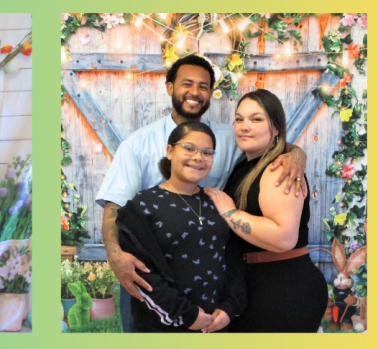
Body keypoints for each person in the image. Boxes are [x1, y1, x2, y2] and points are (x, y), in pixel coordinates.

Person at [94, 54, 307, 331]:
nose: (195, 92)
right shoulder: (137, 144)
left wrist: (296, 155)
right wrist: (115, 257)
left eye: (203, 86)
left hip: (210, 276)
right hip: (151, 276)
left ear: (210, 93)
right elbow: (114, 209)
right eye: (187, 84)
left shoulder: (227, 136)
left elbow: (266, 138)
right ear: (170, 87)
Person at [203, 89, 327, 332]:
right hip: (257, 284)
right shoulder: (248, 164)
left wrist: (230, 213)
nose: (244, 126)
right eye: (239, 119)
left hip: (282, 290)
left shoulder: (278, 169)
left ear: (276, 127)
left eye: (256, 119)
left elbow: (284, 238)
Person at [116, 122, 246, 332]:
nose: (198, 157)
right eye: (189, 148)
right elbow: (142, 273)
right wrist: (186, 315)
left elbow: (232, 260)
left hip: (216, 324)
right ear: (170, 151)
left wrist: (230, 307)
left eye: (207, 152)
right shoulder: (142, 206)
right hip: (163, 326)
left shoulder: (219, 203)